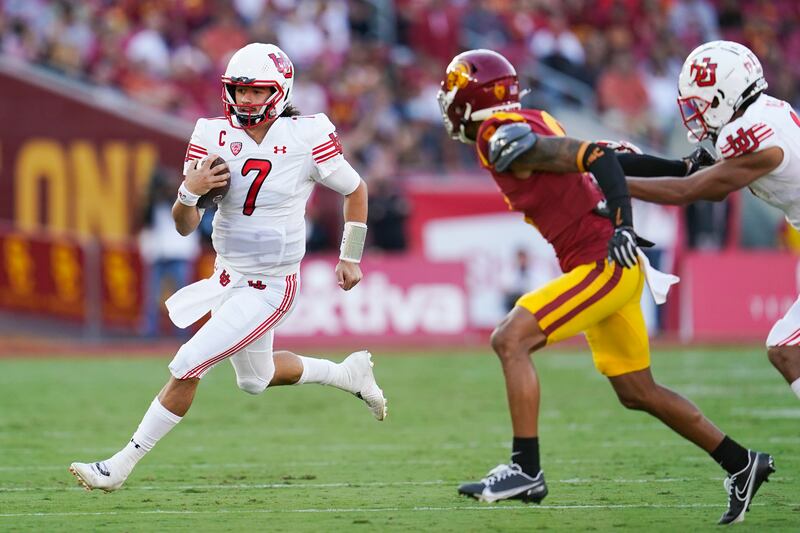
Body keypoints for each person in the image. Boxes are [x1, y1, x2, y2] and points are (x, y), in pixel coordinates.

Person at [437, 49, 772, 525]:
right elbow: (613, 156)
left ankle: (525, 469)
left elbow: (596, 158)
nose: (447, 99)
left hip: (603, 262)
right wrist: (680, 167)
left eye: (453, 89)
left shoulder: (497, 135)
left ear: (473, 98)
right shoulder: (534, 119)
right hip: (605, 261)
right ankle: (742, 462)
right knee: (637, 390)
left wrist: (623, 224)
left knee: (510, 339)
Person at [69, 43, 387, 492]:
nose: (246, 99)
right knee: (256, 380)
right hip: (226, 276)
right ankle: (348, 374)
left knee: (188, 363)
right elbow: (184, 226)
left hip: (271, 284)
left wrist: (350, 255)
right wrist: (188, 191)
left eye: (257, 91)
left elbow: (356, 190)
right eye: (239, 90)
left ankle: (118, 466)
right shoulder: (211, 134)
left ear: (279, 91)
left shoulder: (306, 134)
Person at [621, 41, 800, 406]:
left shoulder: (753, 135)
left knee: (786, 348)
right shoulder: (763, 113)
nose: (696, 114)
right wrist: (624, 164)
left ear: (723, 97)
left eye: (700, 103)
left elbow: (692, 190)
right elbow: (691, 171)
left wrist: (614, 185)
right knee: (786, 348)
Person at [138, 168, 201, 338]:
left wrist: (169, 190)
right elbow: (146, 218)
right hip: (159, 256)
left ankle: (183, 331)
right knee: (152, 296)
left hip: (179, 255)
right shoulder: (155, 206)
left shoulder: (182, 201)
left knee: (183, 296)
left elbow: (181, 206)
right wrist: (153, 194)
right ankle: (150, 331)